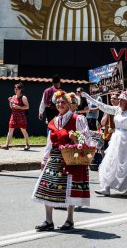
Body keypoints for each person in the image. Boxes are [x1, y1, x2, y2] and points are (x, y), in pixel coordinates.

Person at [33, 91, 91, 231]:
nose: (60, 104)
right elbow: (49, 142)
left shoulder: (78, 119)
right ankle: (48, 221)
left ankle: (69, 220)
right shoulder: (53, 121)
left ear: (69, 103)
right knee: (47, 187)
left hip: (71, 157)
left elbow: (87, 138)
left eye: (63, 102)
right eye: (58, 102)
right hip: (54, 157)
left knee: (69, 188)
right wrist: (44, 159)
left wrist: (76, 136)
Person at [82, 91, 127, 197]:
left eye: (122, 100)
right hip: (116, 139)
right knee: (110, 161)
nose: (120, 101)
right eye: (119, 99)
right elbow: (103, 106)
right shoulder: (117, 109)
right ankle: (106, 188)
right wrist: (89, 98)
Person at [5, 83, 30, 150]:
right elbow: (11, 107)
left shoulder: (23, 97)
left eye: (17, 89)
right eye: (15, 89)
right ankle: (6, 145)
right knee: (10, 130)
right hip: (13, 116)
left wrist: (18, 107)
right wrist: (10, 101)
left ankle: (27, 144)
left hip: (21, 117)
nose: (15, 90)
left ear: (20, 89)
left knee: (23, 130)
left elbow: (27, 107)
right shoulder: (13, 97)